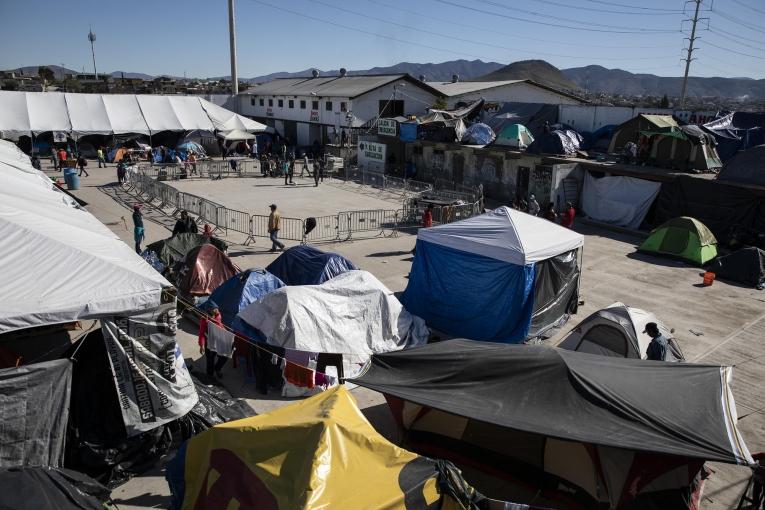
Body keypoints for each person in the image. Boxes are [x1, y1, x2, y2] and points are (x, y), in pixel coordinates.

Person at [198, 303, 227, 379]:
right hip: (209, 343)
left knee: (224, 356)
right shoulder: (204, 320)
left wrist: (226, 334)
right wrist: (202, 345)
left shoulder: (218, 315)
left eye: (217, 308)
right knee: (210, 360)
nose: (217, 310)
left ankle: (217, 368)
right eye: (214, 309)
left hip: (219, 340)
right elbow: (201, 333)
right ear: (210, 311)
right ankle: (210, 377)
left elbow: (220, 325)